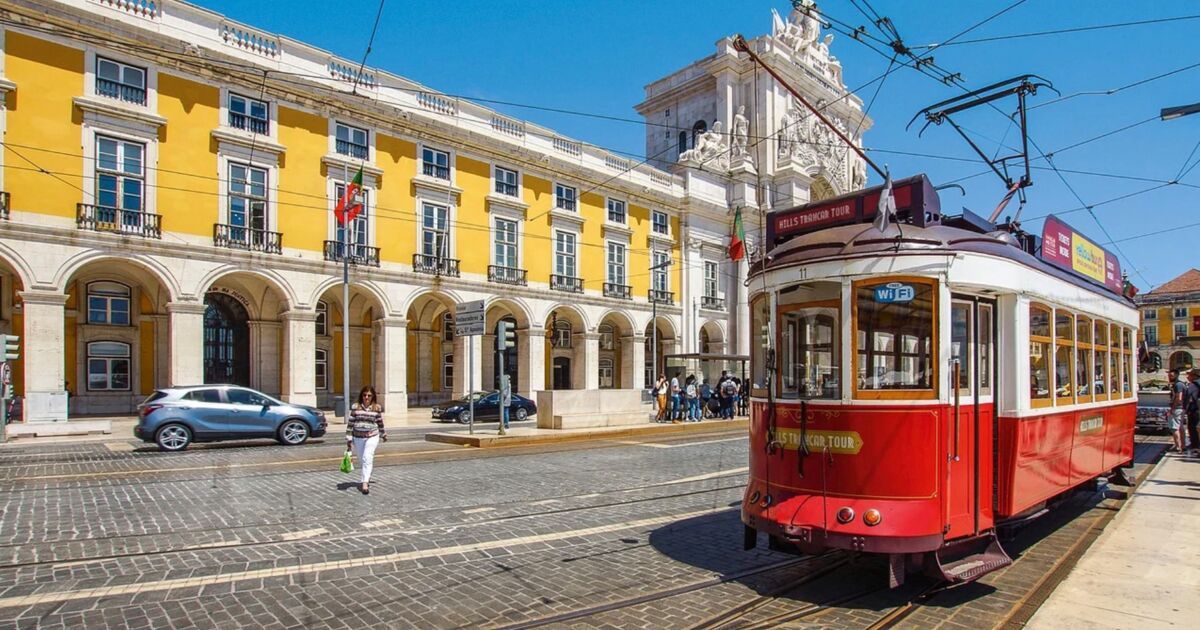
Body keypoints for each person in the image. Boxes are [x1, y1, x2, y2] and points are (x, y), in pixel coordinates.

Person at [346, 385, 386, 495]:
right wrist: (349, 438)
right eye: (364, 395)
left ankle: (364, 483)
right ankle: (367, 476)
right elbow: (351, 423)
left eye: (369, 395)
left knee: (367, 458)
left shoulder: (376, 408)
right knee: (362, 459)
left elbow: (379, 422)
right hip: (358, 437)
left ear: (373, 396)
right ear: (361, 396)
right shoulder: (356, 407)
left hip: (372, 436)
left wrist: (383, 433)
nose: (366, 397)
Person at [1168, 370, 1187, 453]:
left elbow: (1179, 398)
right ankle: (1183, 445)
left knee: (1174, 427)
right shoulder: (1181, 384)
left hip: (1177, 408)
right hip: (1181, 408)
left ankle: (1178, 447)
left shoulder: (1178, 385)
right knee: (1181, 427)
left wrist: (1172, 408)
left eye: (1171, 376)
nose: (1169, 377)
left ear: (1176, 375)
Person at [1186, 368, 1200, 457]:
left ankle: (1195, 446)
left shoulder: (1193, 385)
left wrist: (1185, 409)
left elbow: (1188, 397)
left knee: (1193, 428)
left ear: (1194, 376)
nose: (1188, 377)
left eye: (1189, 375)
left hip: (1195, 410)